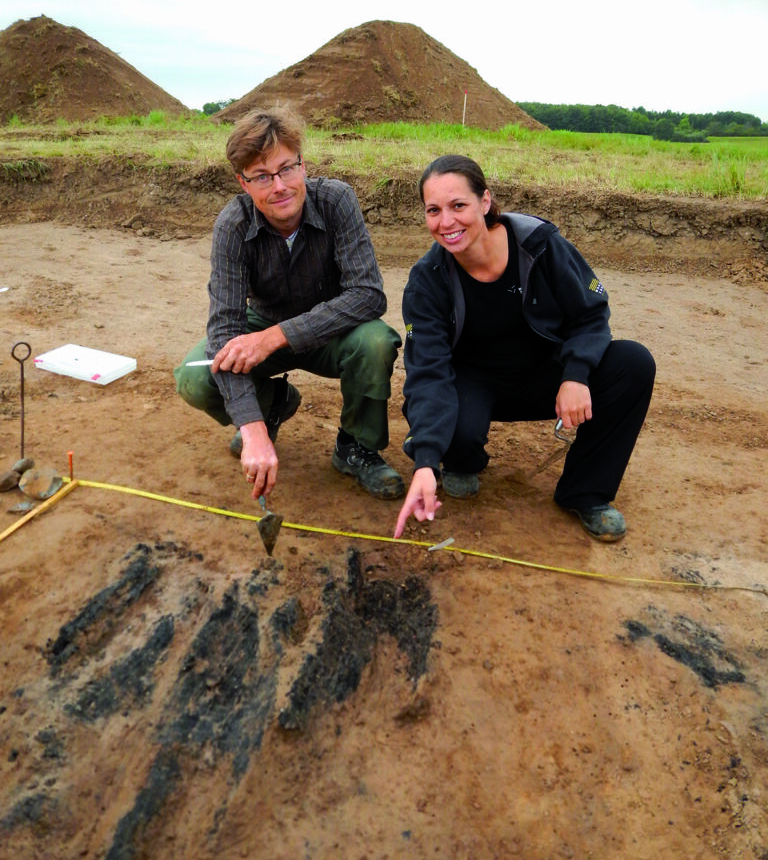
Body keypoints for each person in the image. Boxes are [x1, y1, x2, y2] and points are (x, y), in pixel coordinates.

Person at [393, 154, 655, 542]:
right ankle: (460, 460)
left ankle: (585, 493)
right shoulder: (427, 281)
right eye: (433, 210)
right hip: (473, 383)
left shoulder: (541, 246)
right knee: (456, 432)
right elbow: (428, 372)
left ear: (485, 202)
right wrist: (426, 462)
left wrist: (575, 375)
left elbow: (591, 315)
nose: (445, 222)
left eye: (458, 205)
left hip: (544, 376)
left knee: (633, 362)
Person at [175, 107, 404, 503]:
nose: (279, 186)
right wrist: (251, 427)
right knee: (196, 378)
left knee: (376, 342)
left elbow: (368, 294)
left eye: (286, 169)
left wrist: (276, 338)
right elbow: (224, 331)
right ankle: (271, 407)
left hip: (334, 330)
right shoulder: (232, 225)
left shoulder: (337, 201)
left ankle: (356, 446)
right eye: (262, 176)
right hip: (261, 322)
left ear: (303, 164)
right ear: (243, 183)